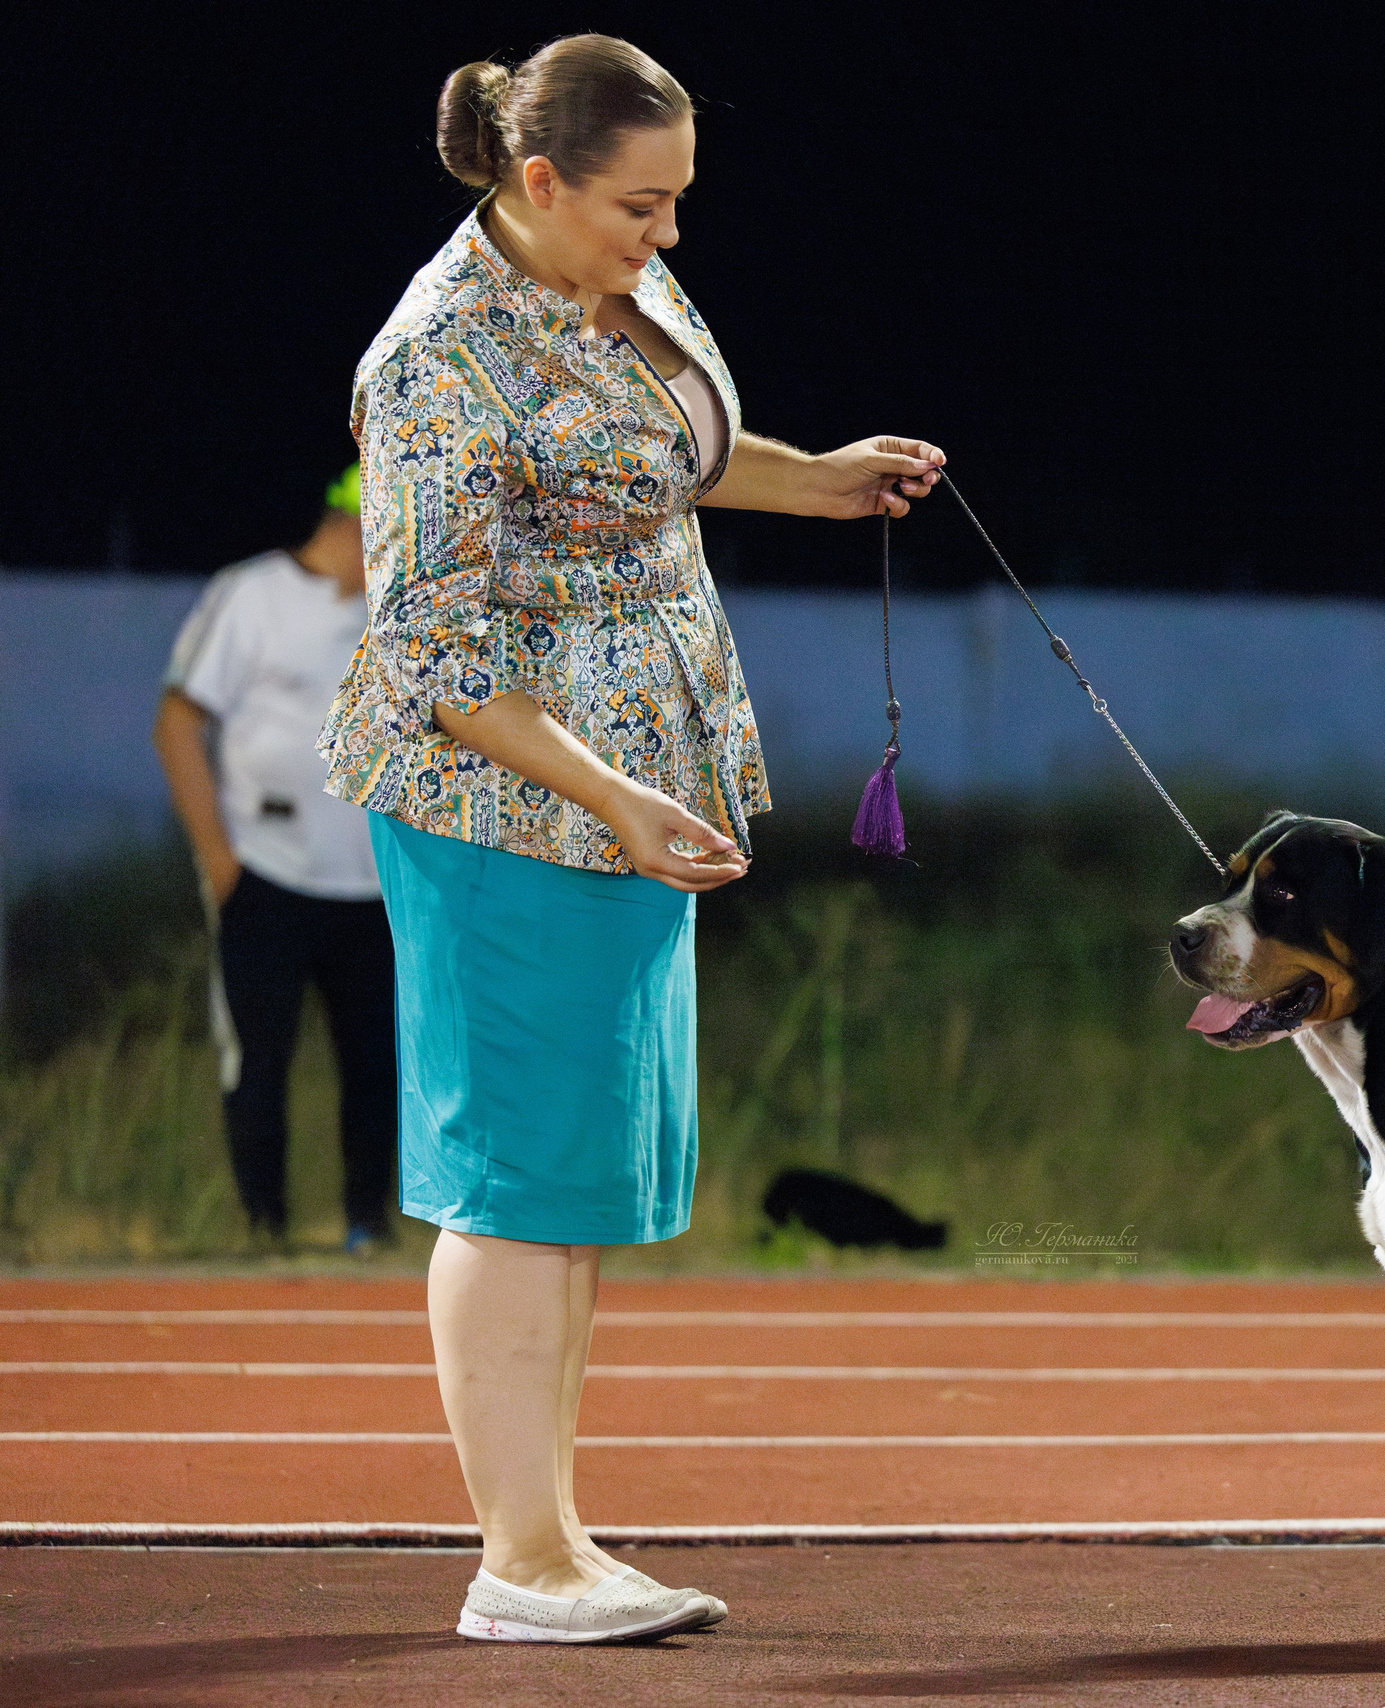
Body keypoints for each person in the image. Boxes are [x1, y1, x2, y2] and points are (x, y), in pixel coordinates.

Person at [318, 35, 943, 1644]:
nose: (668, 236)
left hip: (635, 791)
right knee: (517, 1175)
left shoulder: (623, 294)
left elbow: (675, 460)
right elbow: (437, 660)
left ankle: (560, 1535)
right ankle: (516, 1564)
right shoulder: (440, 360)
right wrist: (609, 794)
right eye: (639, 206)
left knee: (581, 1173)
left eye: (675, 205)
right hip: (511, 802)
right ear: (538, 182)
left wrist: (827, 482)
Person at [155, 466, 397, 1255]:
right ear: (352, 525)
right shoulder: (252, 595)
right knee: (259, 1061)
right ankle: (266, 1230)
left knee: (377, 1063)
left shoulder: (399, 616)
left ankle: (369, 1224)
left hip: (374, 886)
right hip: (265, 874)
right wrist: (221, 861)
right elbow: (178, 722)